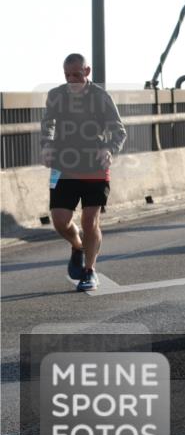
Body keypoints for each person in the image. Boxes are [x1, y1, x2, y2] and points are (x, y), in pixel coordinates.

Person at [41, 53, 127, 292]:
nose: (72, 80)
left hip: (95, 166)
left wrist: (109, 149)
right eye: (67, 75)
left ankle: (89, 271)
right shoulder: (56, 95)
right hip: (64, 165)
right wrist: (47, 145)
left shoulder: (101, 97)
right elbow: (48, 125)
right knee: (60, 221)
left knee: (89, 220)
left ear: (87, 72)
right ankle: (77, 245)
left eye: (77, 75)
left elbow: (119, 130)